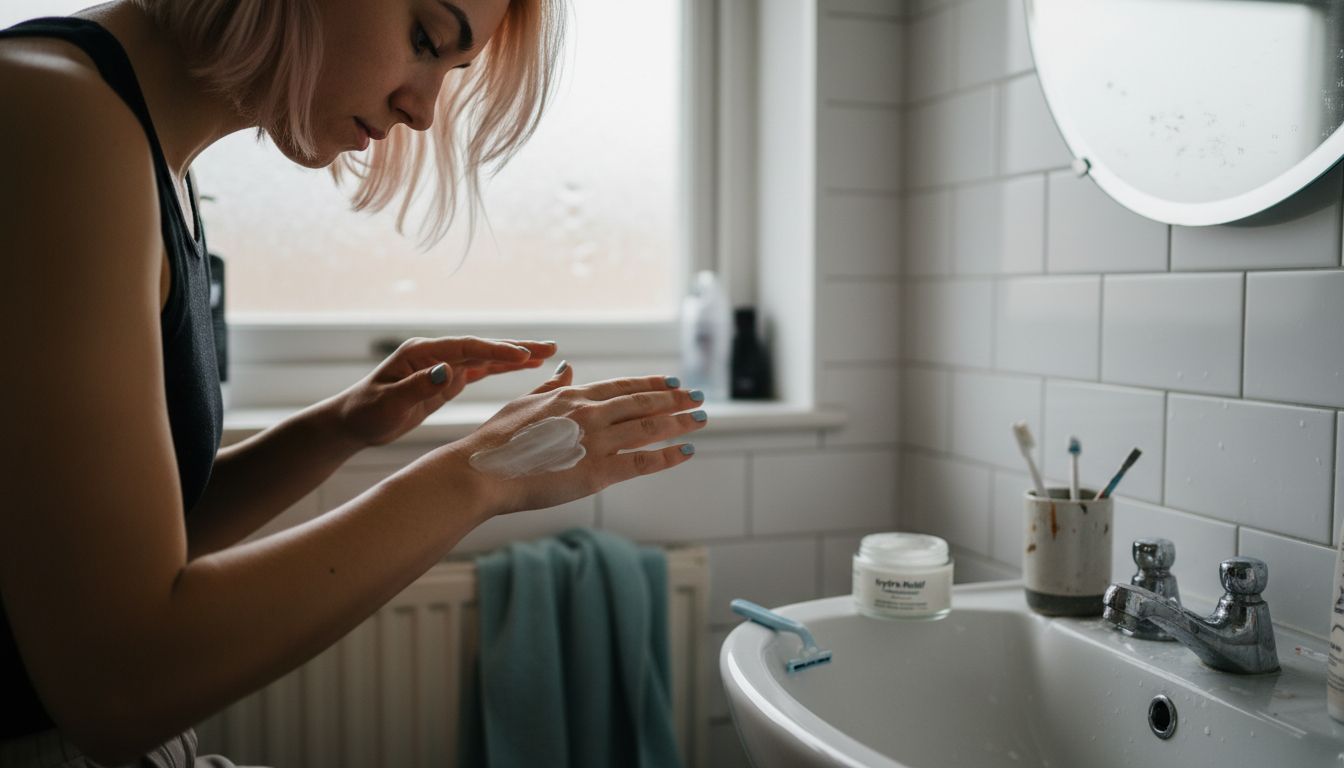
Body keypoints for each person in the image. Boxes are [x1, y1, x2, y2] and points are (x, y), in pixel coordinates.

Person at [0, 0, 705, 764]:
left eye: (451, 71)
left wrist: (338, 428)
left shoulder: (153, 159)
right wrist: (482, 474)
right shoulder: (53, 112)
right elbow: (117, 684)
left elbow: (120, 555)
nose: (424, 111)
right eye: (425, 39)